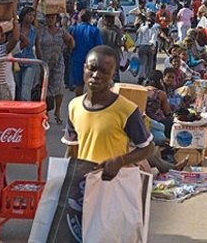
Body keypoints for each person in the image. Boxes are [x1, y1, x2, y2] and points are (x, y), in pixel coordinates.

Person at [62, 46, 154, 180]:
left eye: (104, 71)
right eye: (92, 68)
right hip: (84, 185)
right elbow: (72, 150)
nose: (96, 75)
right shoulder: (74, 106)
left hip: (113, 185)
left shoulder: (126, 109)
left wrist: (121, 161)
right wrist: (64, 178)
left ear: (113, 74)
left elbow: (147, 148)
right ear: (84, 68)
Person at [36, 13, 75, 125]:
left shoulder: (61, 31)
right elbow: (38, 46)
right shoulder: (41, 31)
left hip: (58, 62)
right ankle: (46, 111)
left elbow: (71, 41)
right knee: (44, 88)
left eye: (52, 18)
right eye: (48, 17)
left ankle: (57, 111)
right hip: (44, 62)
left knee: (58, 87)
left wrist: (68, 48)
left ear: (56, 19)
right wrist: (40, 61)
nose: (49, 20)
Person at [69, 10, 103, 96]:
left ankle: (78, 103)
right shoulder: (95, 30)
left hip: (77, 60)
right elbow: (99, 47)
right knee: (91, 84)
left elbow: (70, 45)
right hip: (91, 61)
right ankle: (90, 104)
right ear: (90, 18)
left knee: (78, 85)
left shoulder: (74, 29)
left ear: (79, 18)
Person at [15, 6, 39, 101]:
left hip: (29, 62)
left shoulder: (34, 31)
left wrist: (41, 64)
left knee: (26, 87)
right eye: (29, 15)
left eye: (33, 16)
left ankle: (25, 109)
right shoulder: (16, 29)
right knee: (18, 86)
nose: (31, 17)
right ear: (23, 15)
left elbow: (37, 47)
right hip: (16, 62)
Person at [143, 70, 174, 137]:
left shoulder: (142, 90)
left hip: (143, 120)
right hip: (157, 121)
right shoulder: (160, 93)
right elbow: (167, 112)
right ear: (160, 80)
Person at [98, 13, 123, 83]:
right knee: (115, 75)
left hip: (103, 55)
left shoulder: (100, 31)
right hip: (114, 55)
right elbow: (119, 43)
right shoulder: (116, 31)